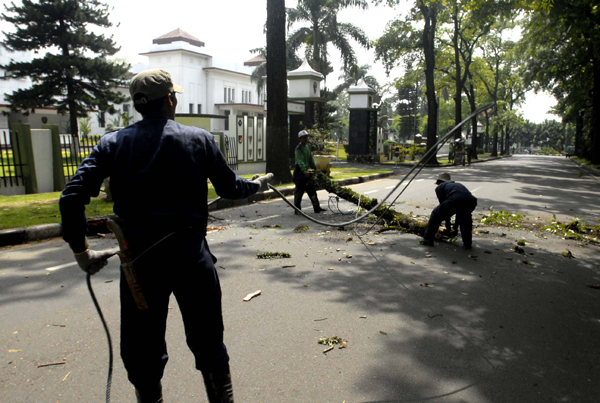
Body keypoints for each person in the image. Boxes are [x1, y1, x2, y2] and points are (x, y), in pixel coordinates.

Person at [59, 69, 271, 403]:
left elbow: (71, 198)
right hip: (192, 261)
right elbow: (231, 188)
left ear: (139, 104)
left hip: (140, 268)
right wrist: (257, 185)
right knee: (208, 342)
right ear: (170, 99)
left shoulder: (112, 143)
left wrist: (82, 253)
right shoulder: (198, 139)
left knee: (142, 349)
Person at [421, 173, 477, 249]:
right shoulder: (458, 185)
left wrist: (448, 226)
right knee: (465, 219)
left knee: (435, 214)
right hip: (471, 201)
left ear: (439, 182)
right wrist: (455, 228)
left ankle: (428, 239)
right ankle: (467, 243)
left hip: (455, 200)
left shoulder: (440, 187)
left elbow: (443, 208)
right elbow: (458, 213)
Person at [293, 130, 325, 215]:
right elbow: (300, 161)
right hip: (300, 172)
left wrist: (314, 168)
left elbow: (310, 159)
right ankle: (297, 209)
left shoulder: (307, 147)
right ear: (300, 139)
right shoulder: (298, 149)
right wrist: (304, 170)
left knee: (312, 190)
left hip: (307, 171)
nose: (306, 139)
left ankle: (317, 207)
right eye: (304, 138)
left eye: (306, 137)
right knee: (299, 192)